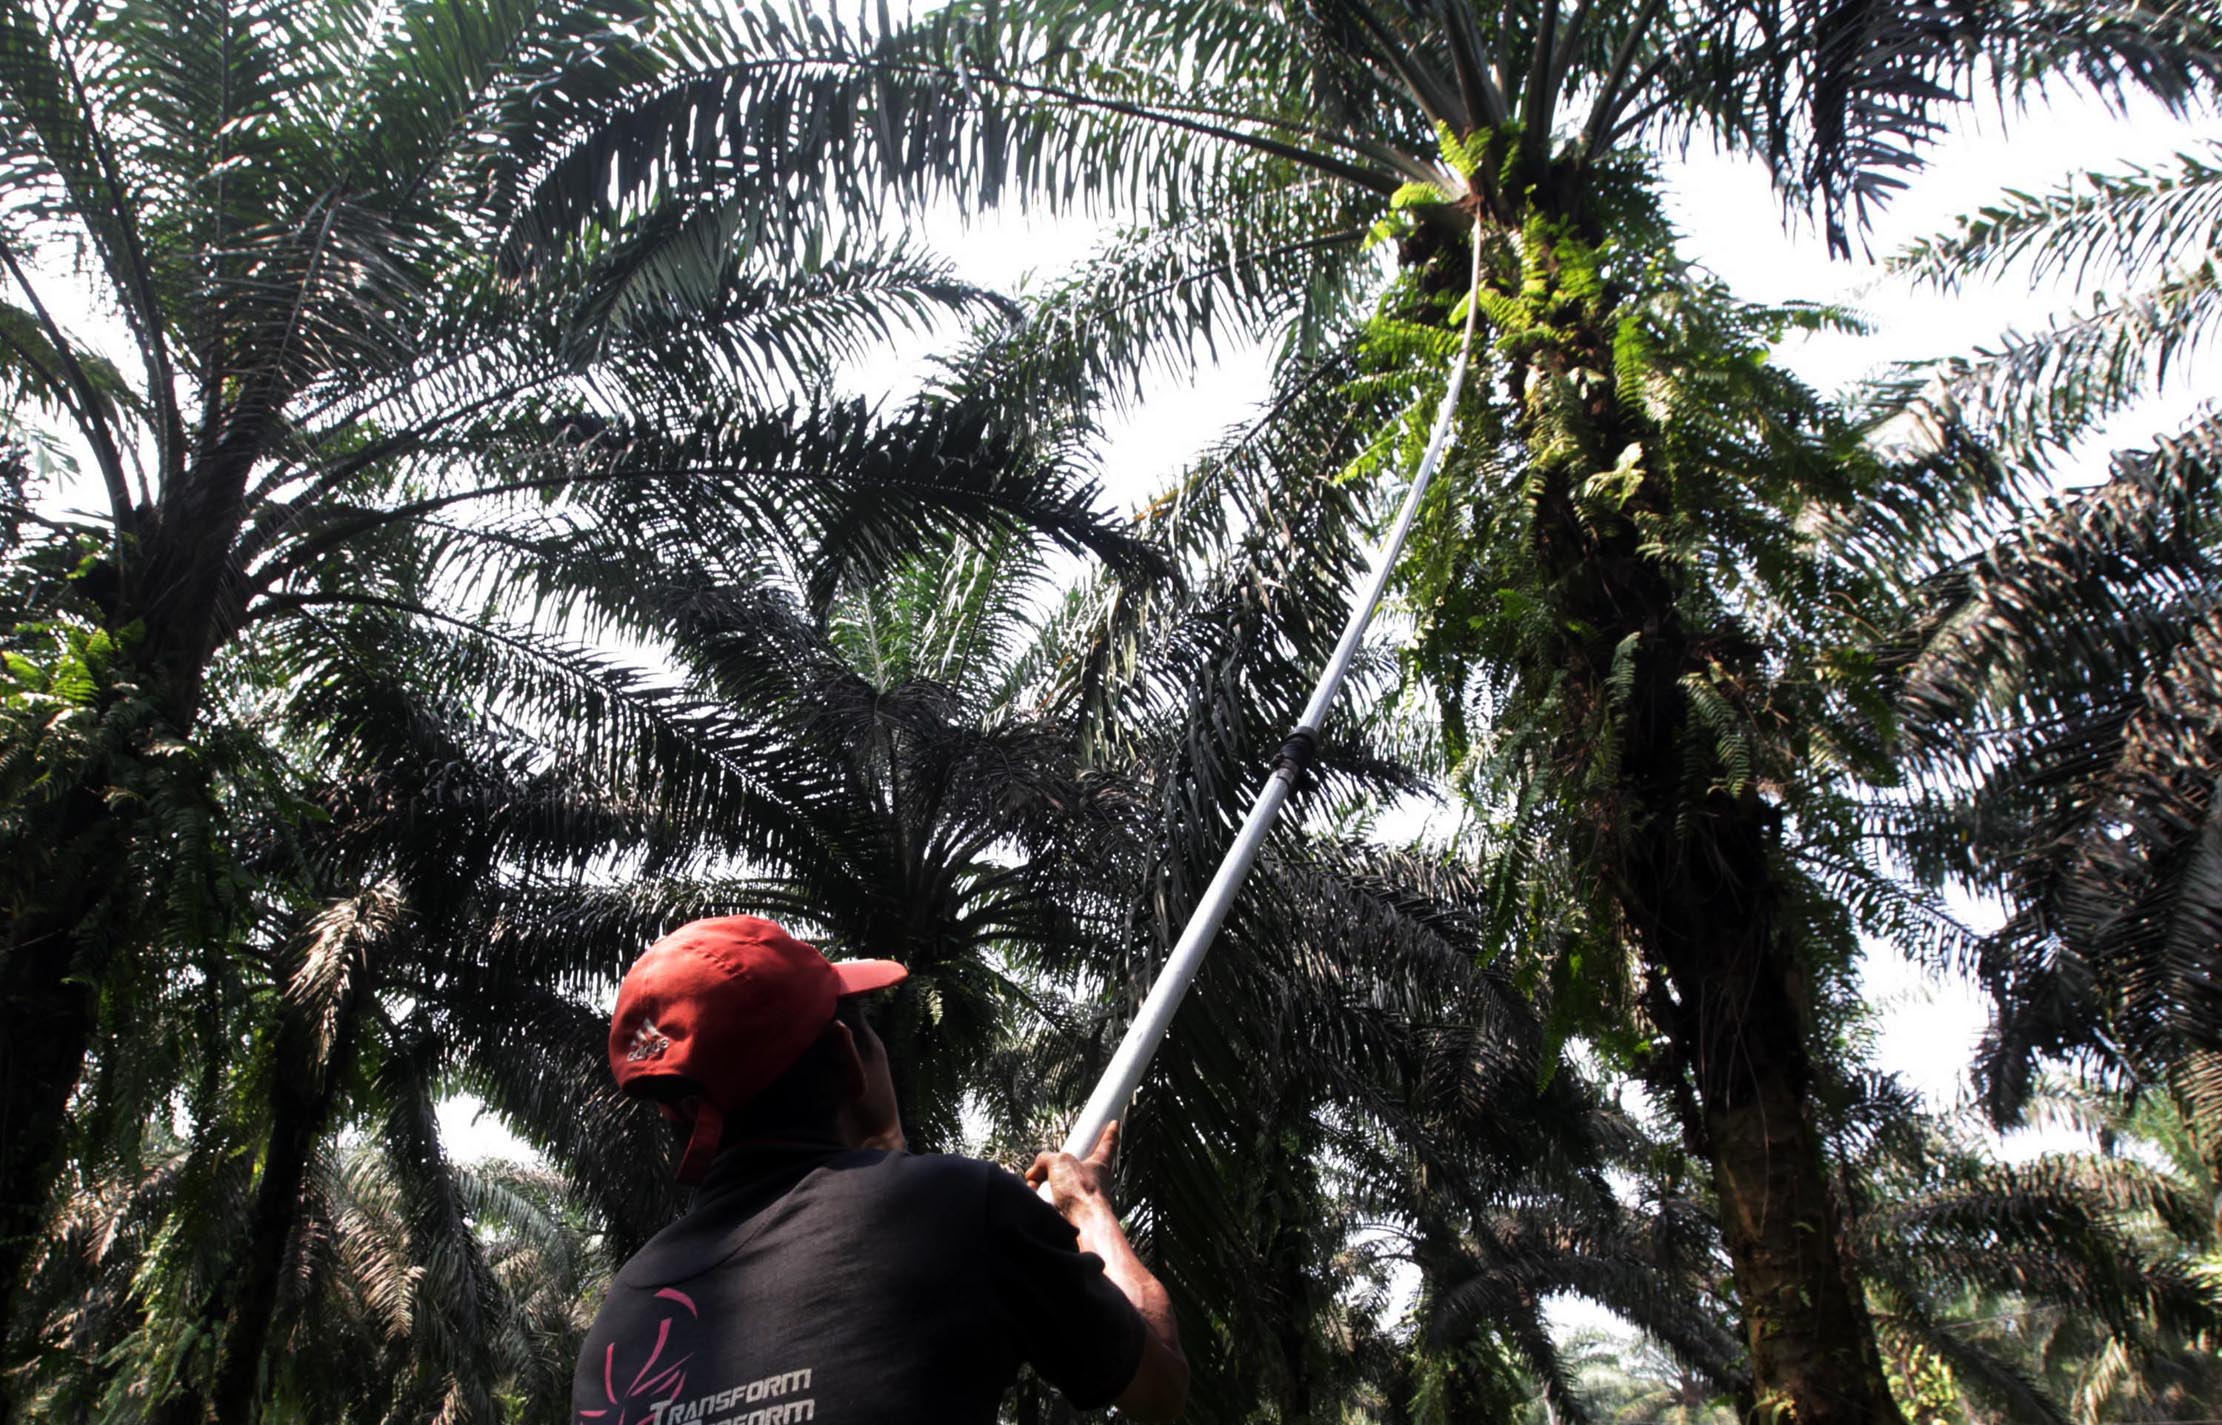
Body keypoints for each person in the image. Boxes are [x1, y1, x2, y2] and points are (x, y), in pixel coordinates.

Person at [572, 915, 1189, 1425]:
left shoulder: (622, 1316)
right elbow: (1158, 1390)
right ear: (847, 1057)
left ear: (679, 1116)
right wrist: (1087, 1206)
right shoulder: (956, 1208)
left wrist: (884, 1150)